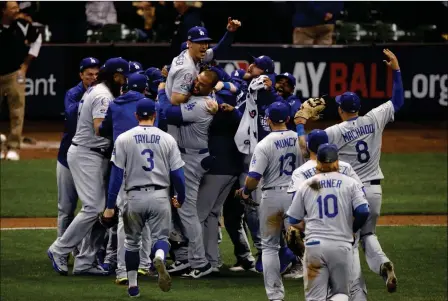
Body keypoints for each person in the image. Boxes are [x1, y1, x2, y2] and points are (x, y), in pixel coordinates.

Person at [296, 49, 402, 293]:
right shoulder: (374, 118)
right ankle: (382, 263)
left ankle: (354, 291)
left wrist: (301, 123)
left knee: (349, 242)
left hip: (351, 191)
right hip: (375, 190)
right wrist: (395, 70)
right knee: (368, 234)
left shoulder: (334, 131)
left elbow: (307, 149)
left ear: (341, 109)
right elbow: (397, 101)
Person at [47, 57, 130, 276]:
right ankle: (59, 249)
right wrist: (125, 128)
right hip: (87, 154)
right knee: (94, 207)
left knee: (104, 210)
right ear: (114, 76)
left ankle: (85, 261)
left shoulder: (102, 90)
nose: (125, 80)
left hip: (94, 155)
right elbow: (99, 128)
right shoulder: (102, 95)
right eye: (123, 76)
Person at [102, 97, 186, 297]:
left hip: (134, 197)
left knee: (132, 243)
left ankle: (132, 286)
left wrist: (110, 205)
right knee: (161, 238)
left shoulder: (124, 138)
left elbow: (116, 175)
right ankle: (158, 256)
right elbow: (178, 174)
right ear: (155, 115)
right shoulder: (167, 139)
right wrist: (179, 196)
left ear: (136, 115)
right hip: (159, 196)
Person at [286, 129, 368, 299]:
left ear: (319, 163)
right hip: (341, 245)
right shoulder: (350, 182)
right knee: (340, 294)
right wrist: (352, 228)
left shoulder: (307, 184)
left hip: (315, 245)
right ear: (337, 162)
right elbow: (363, 210)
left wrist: (310, 227)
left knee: (315, 297)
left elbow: (293, 219)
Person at [158, 69, 219, 278]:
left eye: (202, 83)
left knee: (186, 209)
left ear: (210, 88)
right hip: (191, 156)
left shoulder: (202, 105)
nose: (196, 84)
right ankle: (187, 259)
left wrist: (161, 90)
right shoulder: (204, 98)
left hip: (192, 160)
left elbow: (168, 113)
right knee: (180, 209)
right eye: (196, 80)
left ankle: (200, 263)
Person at [98, 72, 155, 283]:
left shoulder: (115, 105)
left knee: (124, 219)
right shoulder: (151, 105)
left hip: (123, 163)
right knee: (148, 217)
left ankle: (122, 268)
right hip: (150, 170)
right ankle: (144, 264)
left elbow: (103, 129)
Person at [56, 57, 100, 239]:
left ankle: (84, 252)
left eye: (97, 74)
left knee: (91, 207)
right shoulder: (73, 94)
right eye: (89, 74)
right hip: (66, 157)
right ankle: (62, 250)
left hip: (90, 159)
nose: (93, 78)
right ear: (81, 75)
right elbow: (72, 114)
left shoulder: (102, 94)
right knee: (66, 208)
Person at [165, 18, 241, 106]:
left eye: (206, 42)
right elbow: (176, 101)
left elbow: (218, 51)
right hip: (171, 108)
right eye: (200, 42)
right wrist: (195, 92)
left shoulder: (192, 53)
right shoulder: (187, 69)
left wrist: (230, 32)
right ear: (189, 44)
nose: (204, 46)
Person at [0, 1, 42, 161]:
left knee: (17, 111)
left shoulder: (23, 24)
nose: (17, 10)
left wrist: (25, 65)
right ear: (3, 10)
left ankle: (13, 147)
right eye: (13, 8)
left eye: (17, 7)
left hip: (14, 74)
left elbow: (37, 39)